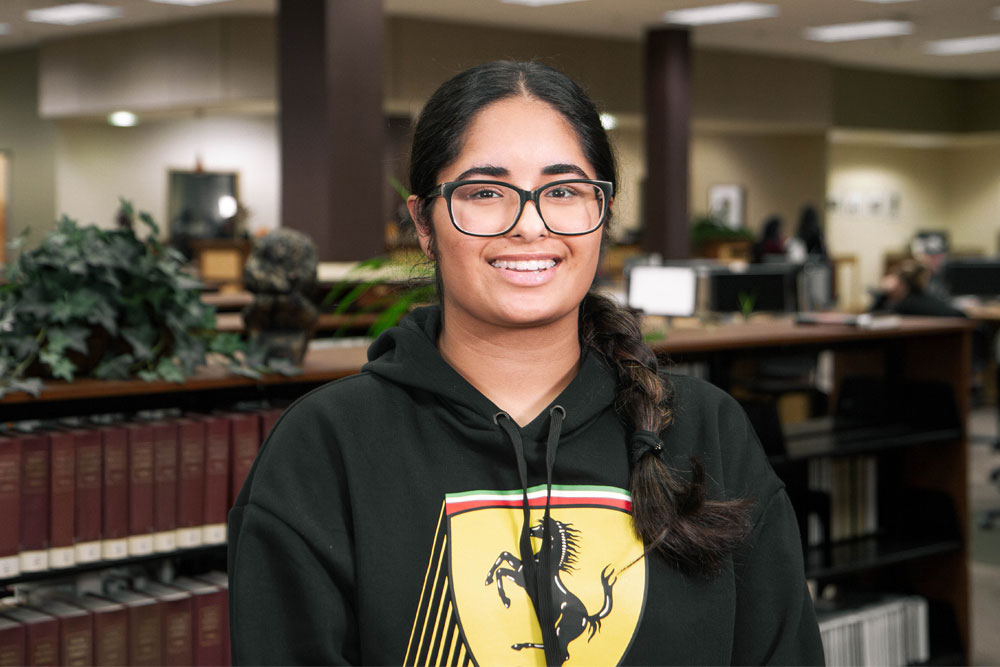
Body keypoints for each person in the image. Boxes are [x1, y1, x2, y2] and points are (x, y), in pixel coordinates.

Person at [227, 60, 824, 666]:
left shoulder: (707, 430)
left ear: (604, 214)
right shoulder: (325, 448)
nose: (530, 225)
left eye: (563, 191)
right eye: (485, 192)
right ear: (424, 224)